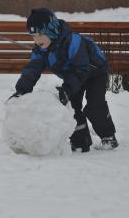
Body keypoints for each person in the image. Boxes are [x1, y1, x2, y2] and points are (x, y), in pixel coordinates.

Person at [11, 8, 118, 152]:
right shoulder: (41, 49)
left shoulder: (74, 42)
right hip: (73, 75)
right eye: (33, 36)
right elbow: (32, 69)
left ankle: (108, 137)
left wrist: (68, 88)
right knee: (72, 107)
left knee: (94, 106)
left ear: (51, 30)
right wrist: (22, 90)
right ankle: (81, 142)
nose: (37, 40)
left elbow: (82, 69)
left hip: (94, 72)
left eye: (40, 34)